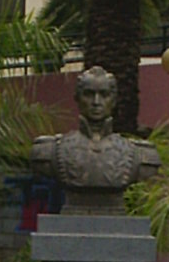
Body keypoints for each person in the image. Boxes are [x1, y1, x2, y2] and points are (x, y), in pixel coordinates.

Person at [30, 66, 159, 211]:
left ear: (114, 100)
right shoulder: (49, 150)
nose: (96, 102)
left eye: (104, 95)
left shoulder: (140, 154)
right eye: (89, 94)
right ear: (77, 99)